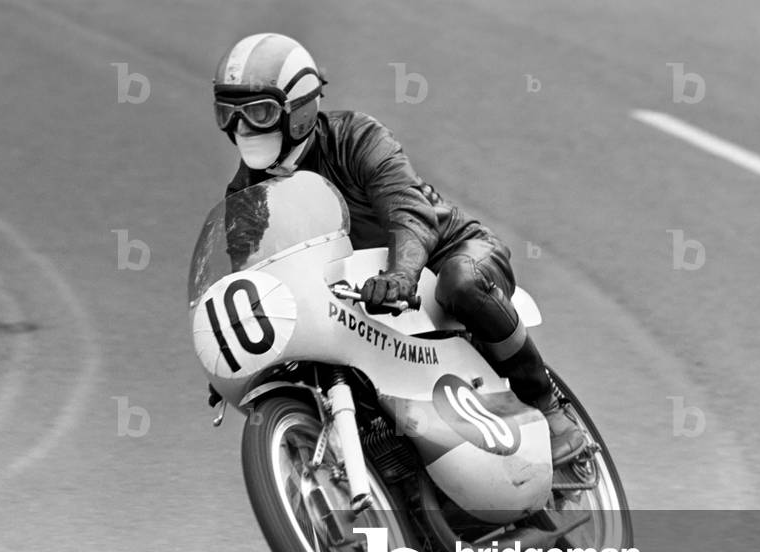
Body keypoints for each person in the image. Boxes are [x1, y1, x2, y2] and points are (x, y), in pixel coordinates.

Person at [213, 33, 584, 463]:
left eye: (257, 111)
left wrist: (401, 275)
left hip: (447, 253)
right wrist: (234, 348)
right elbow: (253, 280)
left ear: (298, 108)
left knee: (462, 283)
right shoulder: (246, 193)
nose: (241, 128)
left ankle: (547, 407)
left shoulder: (357, 137)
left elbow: (409, 212)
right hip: (359, 298)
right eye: (229, 112)